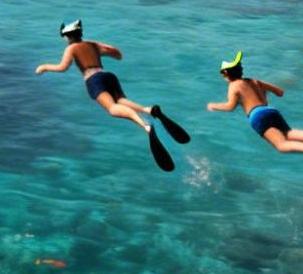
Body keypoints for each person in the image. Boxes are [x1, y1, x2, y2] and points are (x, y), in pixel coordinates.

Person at [36, 20, 189, 170]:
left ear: (68, 37)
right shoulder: (92, 44)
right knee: (122, 100)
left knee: (112, 108)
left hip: (93, 79)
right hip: (108, 75)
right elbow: (116, 53)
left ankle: (145, 125)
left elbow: (62, 67)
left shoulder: (71, 48)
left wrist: (44, 67)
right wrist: (101, 48)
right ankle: (149, 110)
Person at [207, 52, 303, 185]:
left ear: (226, 73)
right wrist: (261, 95)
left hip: (257, 116)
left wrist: (214, 106)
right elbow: (280, 92)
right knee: (288, 133)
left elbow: (230, 106)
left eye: (222, 74)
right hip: (271, 111)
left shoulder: (234, 86)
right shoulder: (254, 81)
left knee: (281, 145)